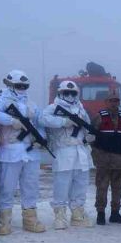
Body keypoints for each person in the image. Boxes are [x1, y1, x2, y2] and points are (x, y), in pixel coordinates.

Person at [0, 69, 46, 235]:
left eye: (24, 85)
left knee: (31, 187)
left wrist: (40, 138)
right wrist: (11, 120)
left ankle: (30, 219)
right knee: (7, 187)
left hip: (30, 152)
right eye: (19, 85)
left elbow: (39, 123)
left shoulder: (31, 104)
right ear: (10, 84)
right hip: (11, 151)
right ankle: (4, 221)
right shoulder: (3, 100)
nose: (22, 88)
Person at [42, 80, 94, 229]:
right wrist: (64, 122)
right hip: (64, 150)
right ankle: (60, 215)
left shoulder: (81, 110)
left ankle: (77, 214)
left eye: (73, 93)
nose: (70, 95)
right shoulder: (53, 107)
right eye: (66, 92)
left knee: (81, 184)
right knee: (62, 185)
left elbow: (88, 126)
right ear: (60, 93)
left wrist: (90, 135)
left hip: (81, 151)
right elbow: (43, 119)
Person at [91, 88, 121, 225]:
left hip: (119, 159)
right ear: (106, 102)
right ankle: (100, 213)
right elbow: (92, 138)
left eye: (116, 101)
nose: (114, 103)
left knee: (117, 188)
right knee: (102, 187)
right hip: (104, 159)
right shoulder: (99, 117)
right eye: (111, 101)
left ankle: (115, 213)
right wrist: (97, 156)